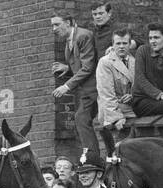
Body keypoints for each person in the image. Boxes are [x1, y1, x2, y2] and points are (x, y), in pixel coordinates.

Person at [50, 12, 100, 157]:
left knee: (82, 119)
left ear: (69, 22)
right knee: (83, 120)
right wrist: (67, 68)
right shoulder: (69, 40)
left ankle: (92, 156)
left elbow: (88, 67)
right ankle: (92, 154)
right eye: (52, 25)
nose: (54, 28)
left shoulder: (83, 36)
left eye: (57, 24)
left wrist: (66, 86)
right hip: (85, 91)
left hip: (94, 89)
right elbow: (81, 65)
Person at [95, 27, 137, 132]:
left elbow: (139, 86)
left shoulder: (135, 62)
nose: (121, 47)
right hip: (113, 111)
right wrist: (117, 118)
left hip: (132, 107)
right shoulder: (105, 62)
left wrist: (132, 95)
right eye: (118, 44)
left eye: (124, 43)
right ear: (113, 45)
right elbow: (106, 94)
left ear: (130, 44)